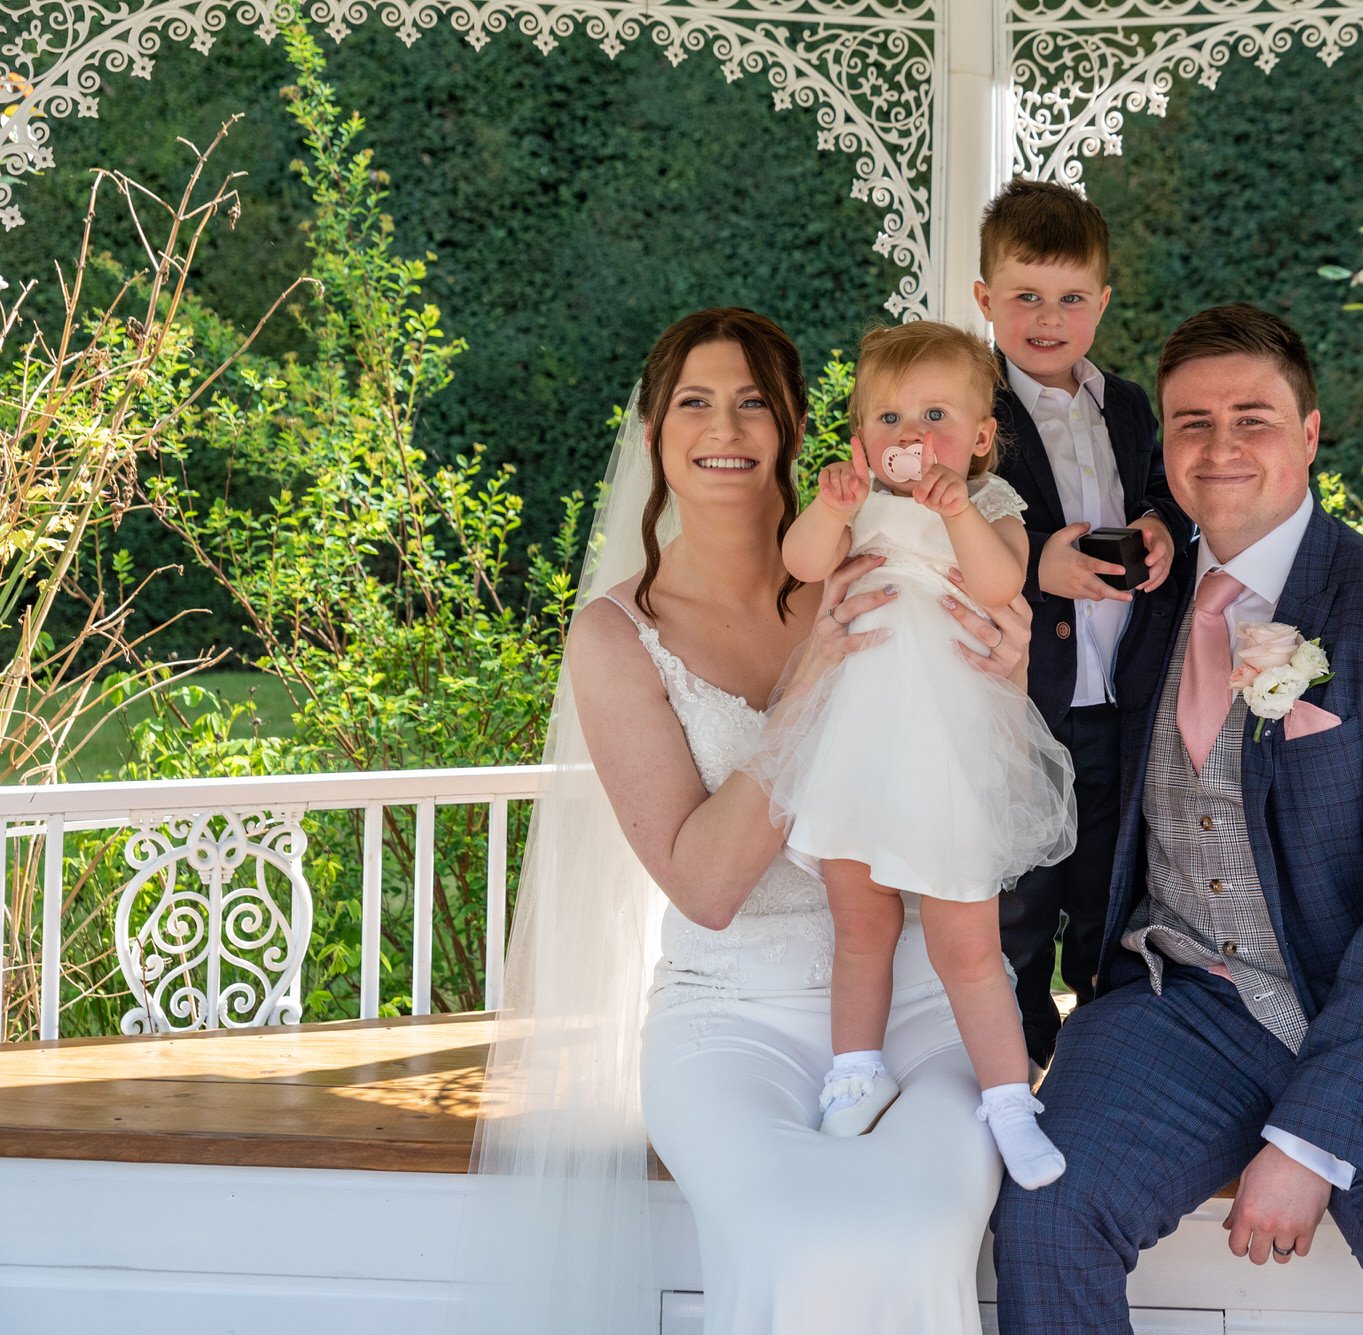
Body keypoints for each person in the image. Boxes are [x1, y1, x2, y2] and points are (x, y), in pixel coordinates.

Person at [991, 304, 1363, 1334]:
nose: (1218, 447)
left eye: (1252, 418)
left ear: (1309, 433)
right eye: (1189, 423)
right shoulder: (1135, 599)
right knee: (1046, 1212)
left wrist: (1313, 1138)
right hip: (1180, 1004)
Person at [455, 308, 1034, 1335]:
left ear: (797, 432)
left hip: (914, 1001)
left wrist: (1002, 663)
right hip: (733, 1015)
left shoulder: (877, 561)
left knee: (910, 1228)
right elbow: (706, 889)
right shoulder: (614, 635)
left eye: (752, 402)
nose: (724, 425)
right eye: (693, 402)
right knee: (799, 1236)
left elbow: (970, 719)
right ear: (651, 434)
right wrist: (811, 681)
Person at [749, 321, 1074, 1187]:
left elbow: (1002, 583)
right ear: (860, 438)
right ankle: (855, 1067)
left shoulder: (993, 505)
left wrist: (959, 508)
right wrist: (831, 504)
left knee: (965, 942)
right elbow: (801, 559)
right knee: (860, 924)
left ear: (979, 440)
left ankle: (1010, 1098)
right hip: (857, 743)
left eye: (936, 414)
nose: (912, 436)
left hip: (945, 753)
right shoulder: (861, 508)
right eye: (889, 417)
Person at [975, 179, 1190, 1067]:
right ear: (986, 300)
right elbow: (930, 516)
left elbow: (1167, 495)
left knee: (1109, 895)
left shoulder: (1129, 406)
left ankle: (1100, 1066)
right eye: (1025, 296)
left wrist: (1161, 531)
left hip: (1119, 701)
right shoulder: (972, 407)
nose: (1048, 319)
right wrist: (1035, 563)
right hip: (1020, 709)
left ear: (1101, 302)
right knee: (1018, 900)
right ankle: (1011, 1065)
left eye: (1070, 298)